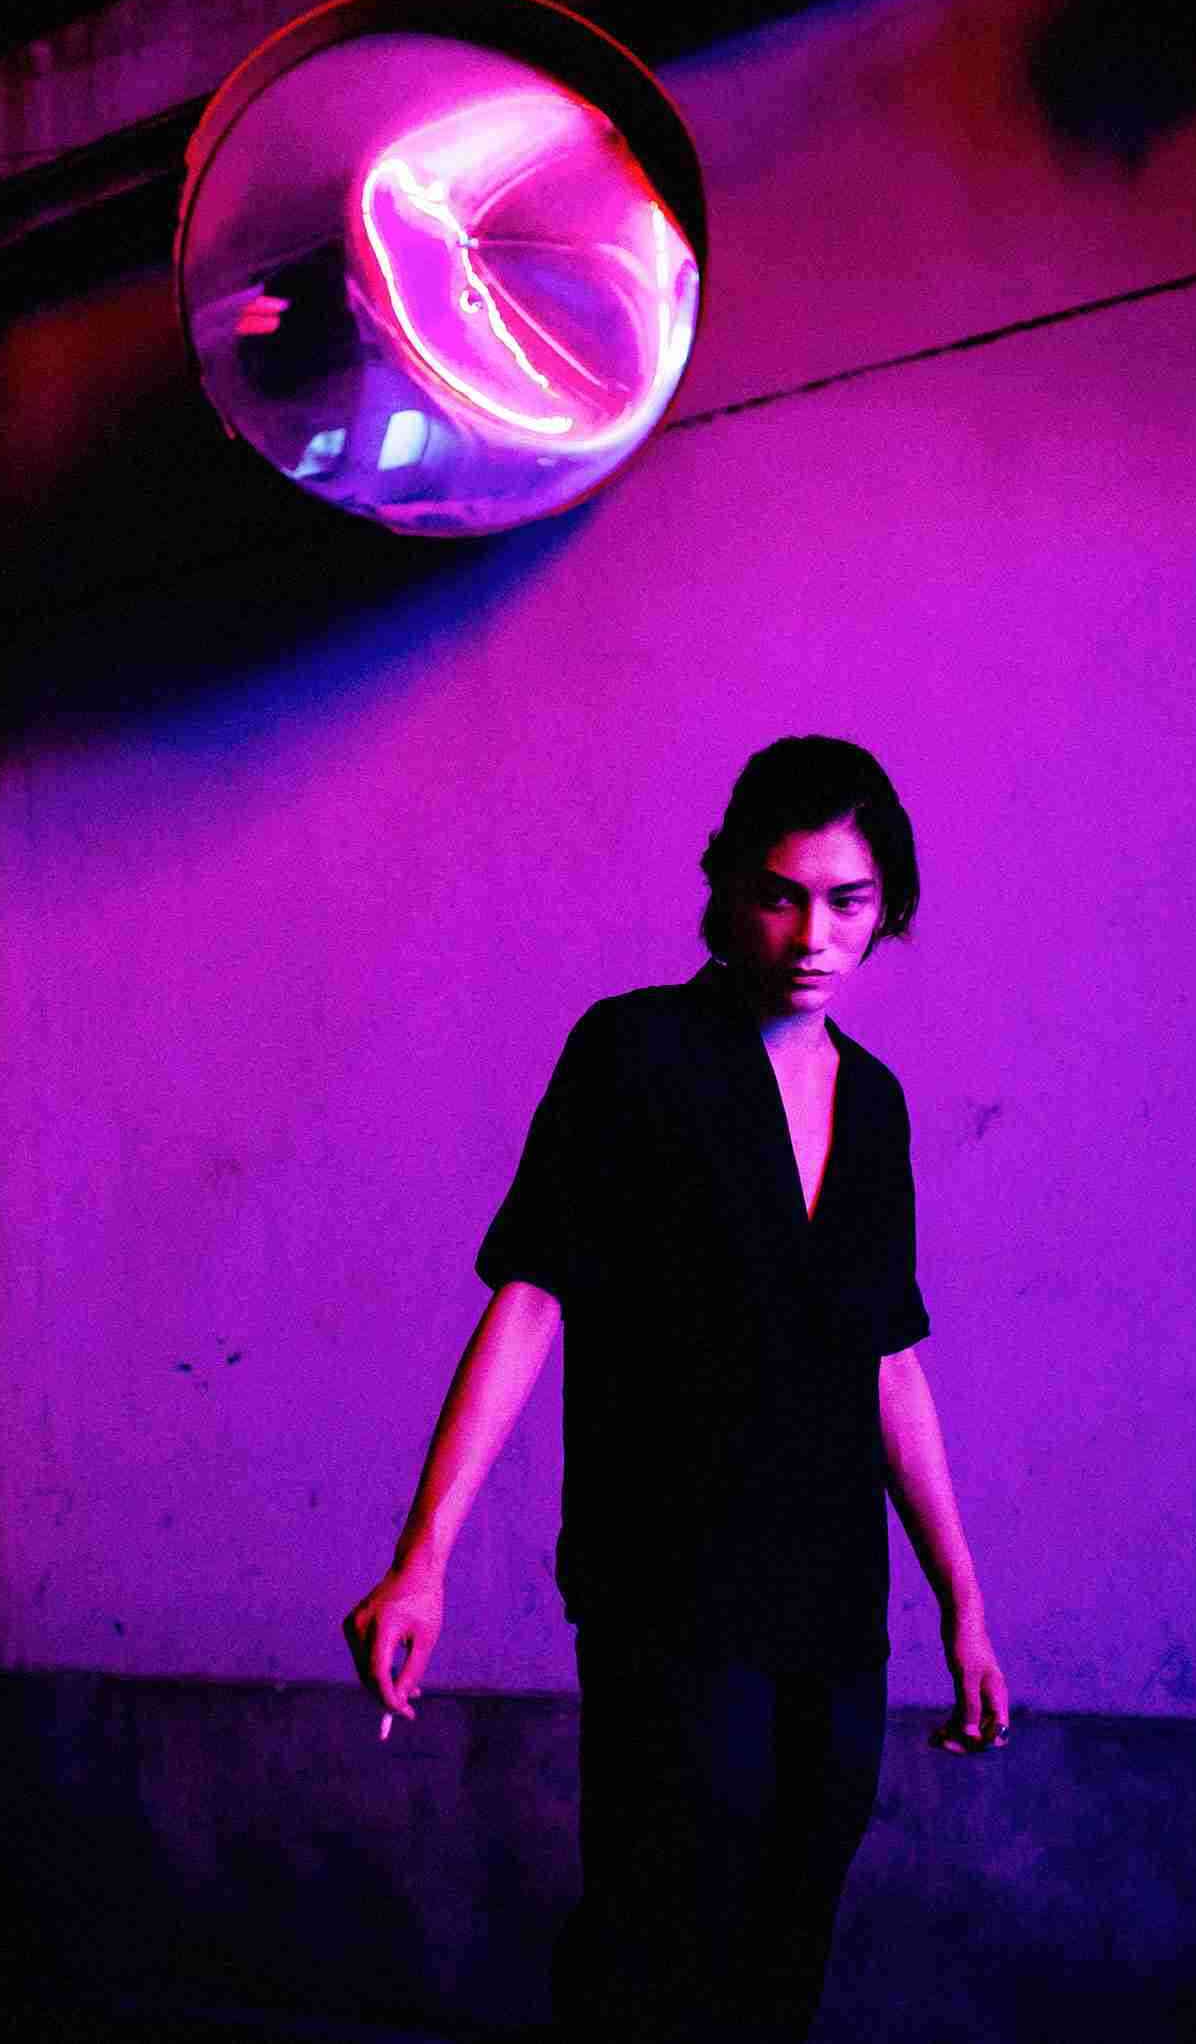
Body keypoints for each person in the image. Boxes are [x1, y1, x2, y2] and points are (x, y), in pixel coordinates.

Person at [345, 735, 1009, 2044]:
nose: (814, 937)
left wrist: (964, 1604)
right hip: (671, 1587)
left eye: (849, 902)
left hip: (836, 1602)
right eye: (781, 896)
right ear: (728, 891)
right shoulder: (636, 1052)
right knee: (657, 1945)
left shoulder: (876, 1107)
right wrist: (422, 1560)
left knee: (786, 1948)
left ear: (888, 903)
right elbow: (532, 1298)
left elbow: (887, 1360)